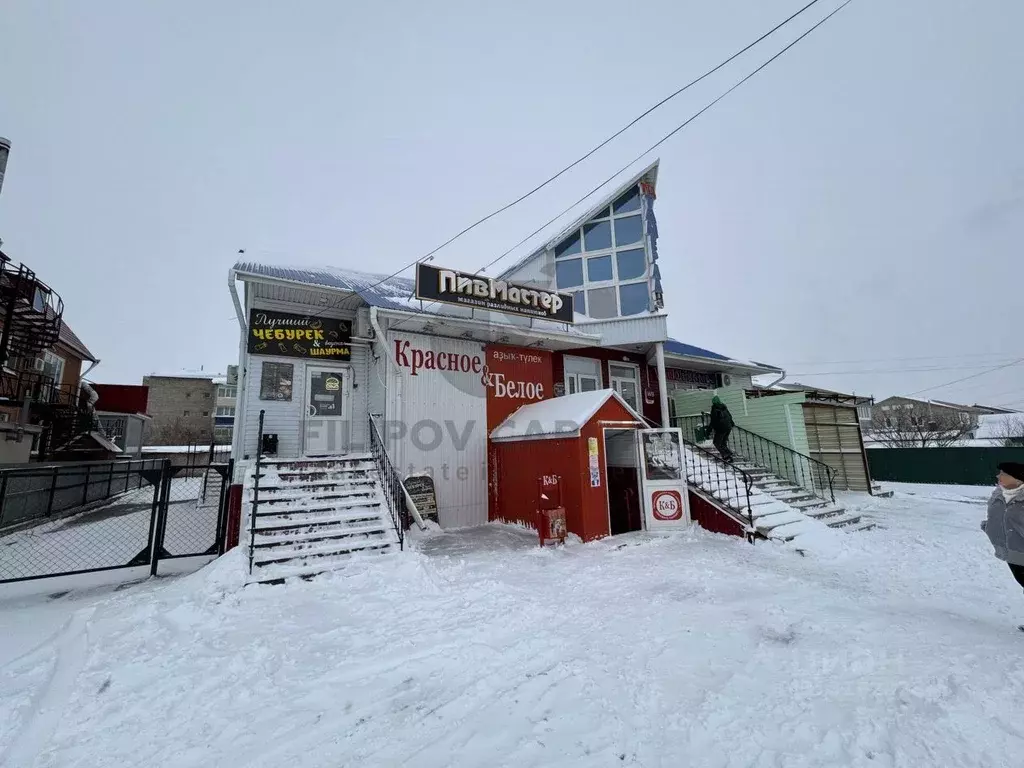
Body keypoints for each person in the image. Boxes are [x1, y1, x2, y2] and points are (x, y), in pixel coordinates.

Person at [982, 462, 1024, 628]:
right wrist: (988, 526)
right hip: (1009, 550)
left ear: (1018, 479)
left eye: (1003, 474)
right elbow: (995, 515)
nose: (998, 476)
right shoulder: (999, 493)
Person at [707, 395, 734, 462]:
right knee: (723, 443)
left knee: (716, 443)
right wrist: (732, 423)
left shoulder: (715, 409)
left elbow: (713, 421)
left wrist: (709, 430)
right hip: (728, 427)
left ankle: (726, 456)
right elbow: (730, 416)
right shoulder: (724, 407)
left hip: (721, 428)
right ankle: (729, 454)